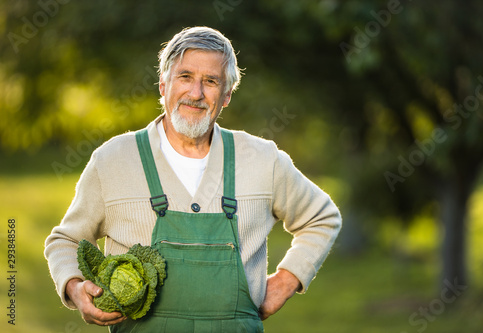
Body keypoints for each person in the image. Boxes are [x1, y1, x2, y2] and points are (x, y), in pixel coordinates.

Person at [45, 26, 342, 332]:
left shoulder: (263, 160)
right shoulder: (113, 160)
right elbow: (66, 240)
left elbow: (322, 217)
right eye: (185, 77)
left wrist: (286, 280)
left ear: (226, 95)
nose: (196, 93)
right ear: (163, 84)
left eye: (210, 81)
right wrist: (74, 287)